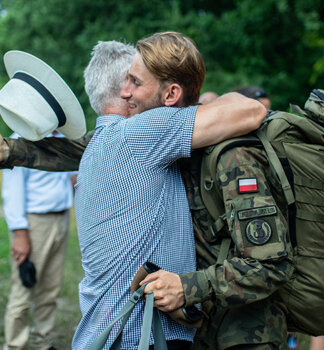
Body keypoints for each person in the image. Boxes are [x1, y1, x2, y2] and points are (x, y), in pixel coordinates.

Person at [0, 36, 289, 349]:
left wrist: (12, 150)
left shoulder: (97, 147)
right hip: (141, 338)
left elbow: (68, 149)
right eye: (129, 81)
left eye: (136, 82)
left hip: (101, 335)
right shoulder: (141, 134)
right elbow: (250, 110)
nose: (129, 91)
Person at [1, 131, 76, 350]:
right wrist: (20, 234)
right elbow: (12, 192)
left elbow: (71, 175)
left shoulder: (63, 138)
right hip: (34, 223)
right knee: (25, 287)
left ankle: (43, 341)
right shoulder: (20, 141)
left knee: (50, 288)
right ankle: (15, 345)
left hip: (60, 218)